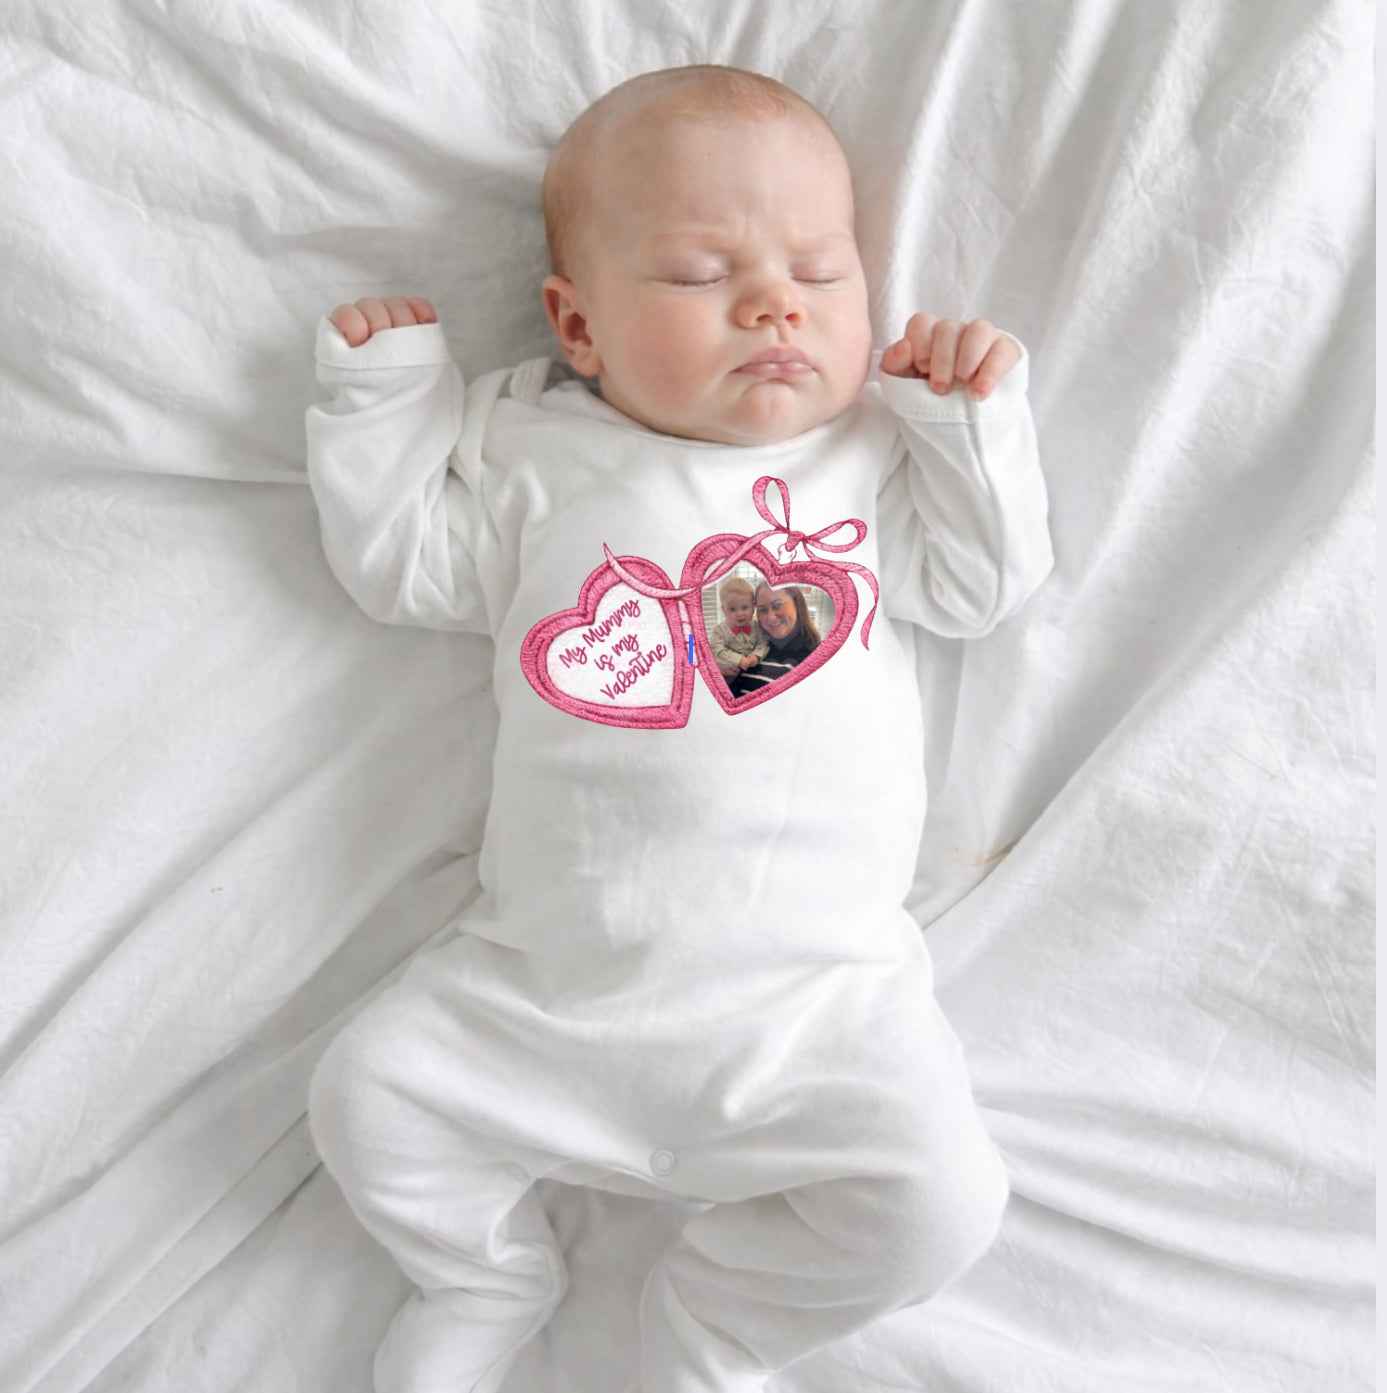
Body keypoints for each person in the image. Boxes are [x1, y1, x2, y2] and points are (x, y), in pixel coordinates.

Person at [305, 63, 1053, 1393]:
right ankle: (480, 1271)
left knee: (943, 1204)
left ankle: (721, 1324)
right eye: (703, 274)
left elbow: (980, 583)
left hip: (816, 1014)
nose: (774, 303)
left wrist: (965, 424)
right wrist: (382, 405)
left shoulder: (867, 458)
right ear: (577, 324)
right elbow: (402, 566)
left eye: (818, 271)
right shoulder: (534, 455)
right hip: (542, 998)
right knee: (364, 1095)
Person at [727, 584, 820, 699]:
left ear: (797, 605)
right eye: (762, 610)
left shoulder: (818, 655)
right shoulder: (749, 648)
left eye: (778, 605)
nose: (770, 617)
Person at [708, 575, 770, 690]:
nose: (739, 614)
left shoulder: (757, 626)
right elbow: (715, 649)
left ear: (753, 608)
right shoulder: (720, 629)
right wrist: (738, 659)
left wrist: (756, 655)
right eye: (732, 609)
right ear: (724, 610)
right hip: (728, 674)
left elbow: (763, 642)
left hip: (753, 670)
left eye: (745, 607)